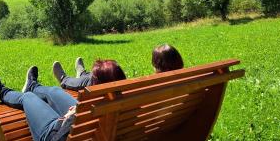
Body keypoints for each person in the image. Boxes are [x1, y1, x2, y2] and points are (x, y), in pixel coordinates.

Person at [0, 61, 126, 141]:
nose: (89, 81)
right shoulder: (124, 101)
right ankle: (33, 86)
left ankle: (3, 92)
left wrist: (68, 119)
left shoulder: (85, 112)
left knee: (28, 98)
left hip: (53, 137)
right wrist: (77, 112)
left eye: (92, 79)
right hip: (83, 122)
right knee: (55, 91)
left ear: (97, 86)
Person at [53, 44, 183, 90]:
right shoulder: (188, 83)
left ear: (156, 65)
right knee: (94, 77)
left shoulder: (148, 87)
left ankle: (65, 79)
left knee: (93, 80)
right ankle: (82, 74)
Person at [52, 58, 126, 90]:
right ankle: (82, 73)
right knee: (92, 75)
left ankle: (63, 79)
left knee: (83, 80)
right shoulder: (129, 92)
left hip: (91, 87)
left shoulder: (92, 91)